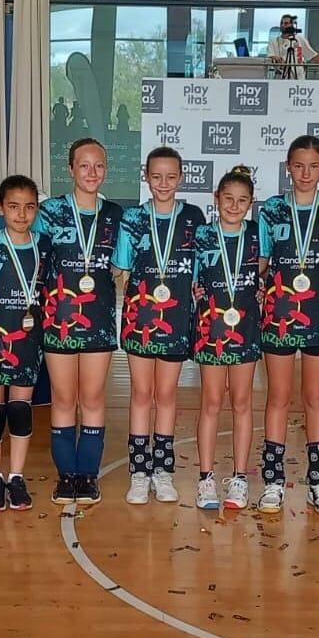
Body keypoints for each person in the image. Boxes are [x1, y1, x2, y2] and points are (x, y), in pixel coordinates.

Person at [256, 135, 319, 515]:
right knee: (278, 397)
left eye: (313, 166)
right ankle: (273, 482)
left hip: (318, 314)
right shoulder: (272, 210)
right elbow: (260, 261)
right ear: (287, 167)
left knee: (315, 398)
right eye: (298, 165)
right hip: (278, 312)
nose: (305, 173)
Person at [114, 147, 206, 505]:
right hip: (141, 318)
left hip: (178, 317)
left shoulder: (194, 217)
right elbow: (121, 266)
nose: (164, 183)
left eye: (171, 176)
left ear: (181, 177)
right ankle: (139, 471)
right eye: (156, 176)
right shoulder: (132, 218)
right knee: (141, 393)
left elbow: (202, 265)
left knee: (166, 395)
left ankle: (163, 470)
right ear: (146, 177)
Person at [36, 139, 122, 506]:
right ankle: (66, 474)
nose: (91, 173)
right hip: (58, 319)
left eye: (98, 166)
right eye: (84, 166)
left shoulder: (117, 215)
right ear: (70, 169)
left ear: (106, 170)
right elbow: (25, 250)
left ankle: (87, 475)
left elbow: (126, 263)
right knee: (63, 397)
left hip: (99, 317)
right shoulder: (49, 211)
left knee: (92, 397)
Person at [0, 175, 51, 512]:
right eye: (14, 206)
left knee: (20, 409)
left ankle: (16, 476)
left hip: (28, 337)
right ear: (0, 208)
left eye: (29, 207)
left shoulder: (43, 244)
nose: (22, 214)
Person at [192, 166, 263, 511]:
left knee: (242, 402)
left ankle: (238, 477)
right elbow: (190, 276)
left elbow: (266, 268)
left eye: (242, 201)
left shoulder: (256, 234)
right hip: (211, 328)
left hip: (245, 326)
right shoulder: (203, 235)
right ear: (216, 199)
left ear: (251, 204)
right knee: (211, 402)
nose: (235, 206)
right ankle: (205, 478)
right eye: (228, 199)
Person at [266, 14, 319, 79]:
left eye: (286, 23)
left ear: (291, 25)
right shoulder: (274, 41)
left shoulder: (300, 39)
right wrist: (278, 59)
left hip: (299, 78)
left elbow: (313, 55)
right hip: (281, 77)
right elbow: (270, 56)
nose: (283, 25)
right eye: (281, 23)